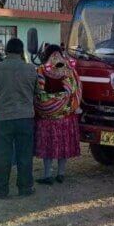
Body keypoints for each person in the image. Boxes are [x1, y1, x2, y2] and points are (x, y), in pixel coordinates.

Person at [0, 38, 38, 198]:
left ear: (6, 51)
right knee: (24, 154)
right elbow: (36, 92)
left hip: (2, 118)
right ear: (21, 51)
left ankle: (1, 190)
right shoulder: (31, 69)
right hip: (25, 117)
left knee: (2, 156)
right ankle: (25, 188)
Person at [34, 45, 82, 185]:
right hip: (65, 118)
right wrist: (64, 101)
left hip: (47, 119)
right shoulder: (69, 70)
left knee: (48, 147)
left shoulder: (41, 70)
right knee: (63, 146)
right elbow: (76, 91)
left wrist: (49, 103)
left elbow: (37, 94)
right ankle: (61, 173)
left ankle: (47, 175)